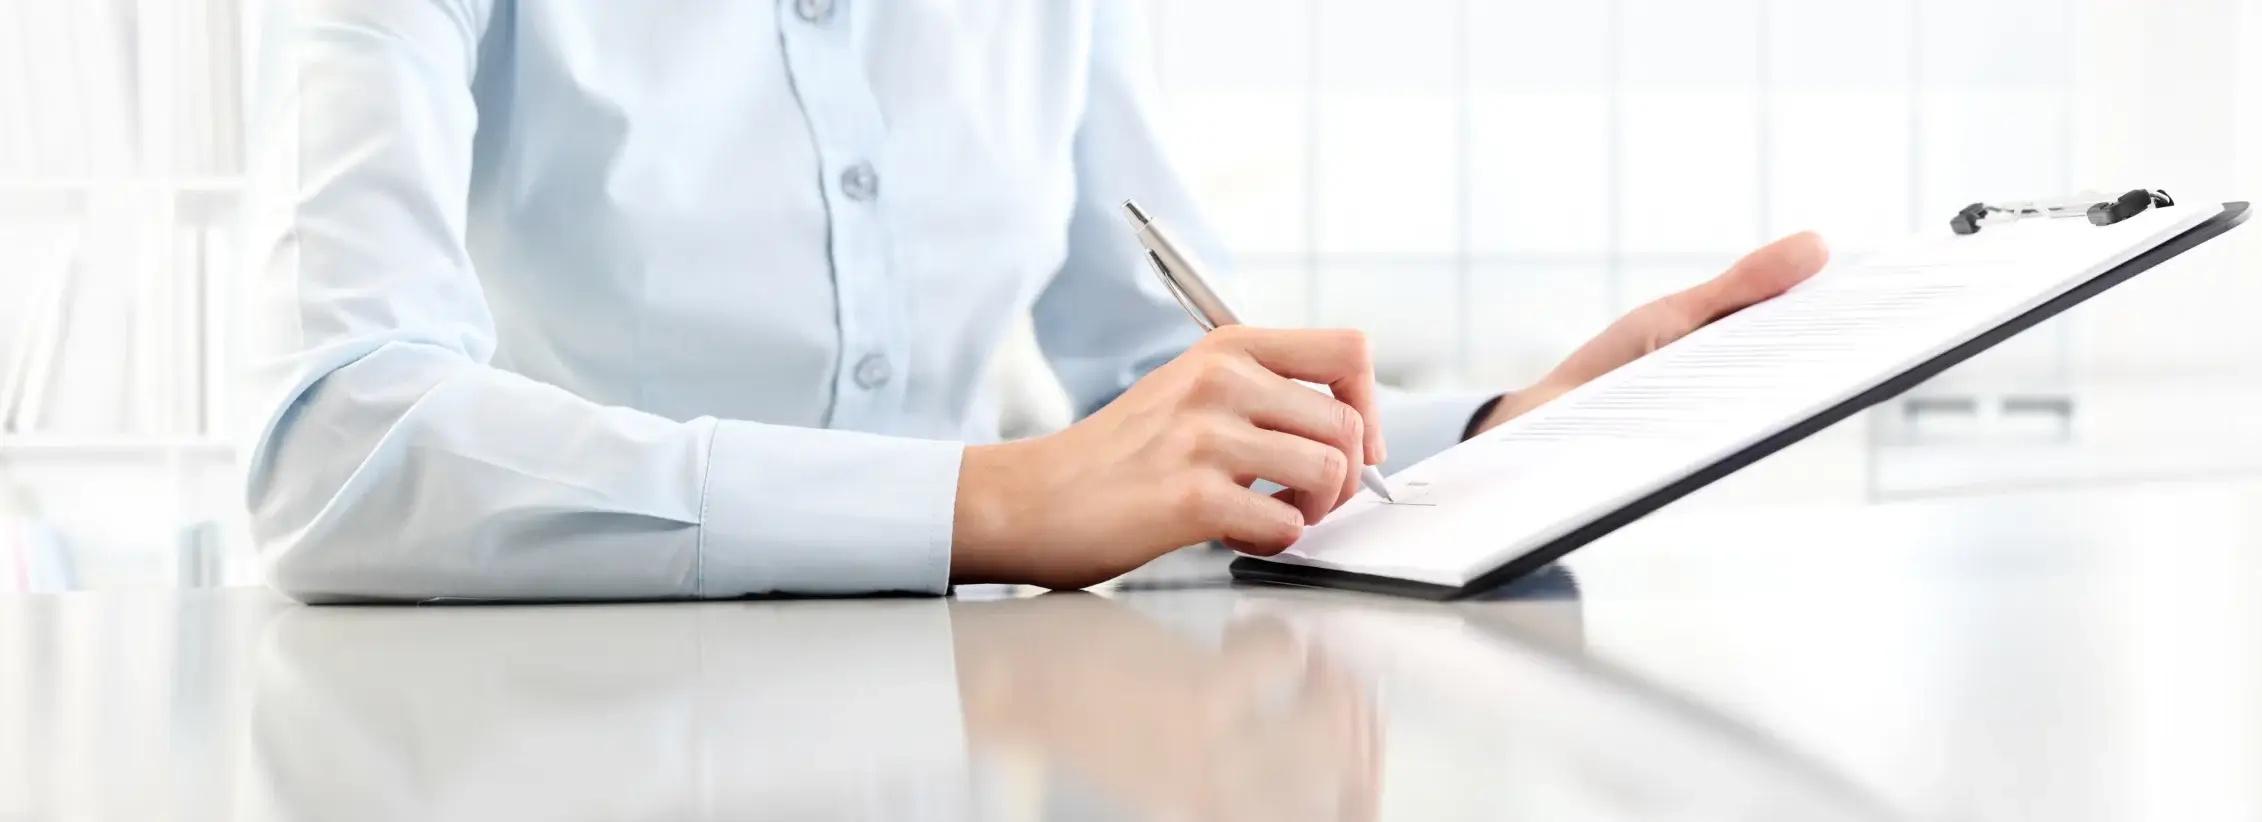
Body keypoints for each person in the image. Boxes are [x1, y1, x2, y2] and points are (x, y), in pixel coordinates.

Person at [241, 0, 1827, 602]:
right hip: (546, 734)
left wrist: (1499, 433)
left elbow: (1151, 386)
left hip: (955, 740)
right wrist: (989, 501)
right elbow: (336, 443)